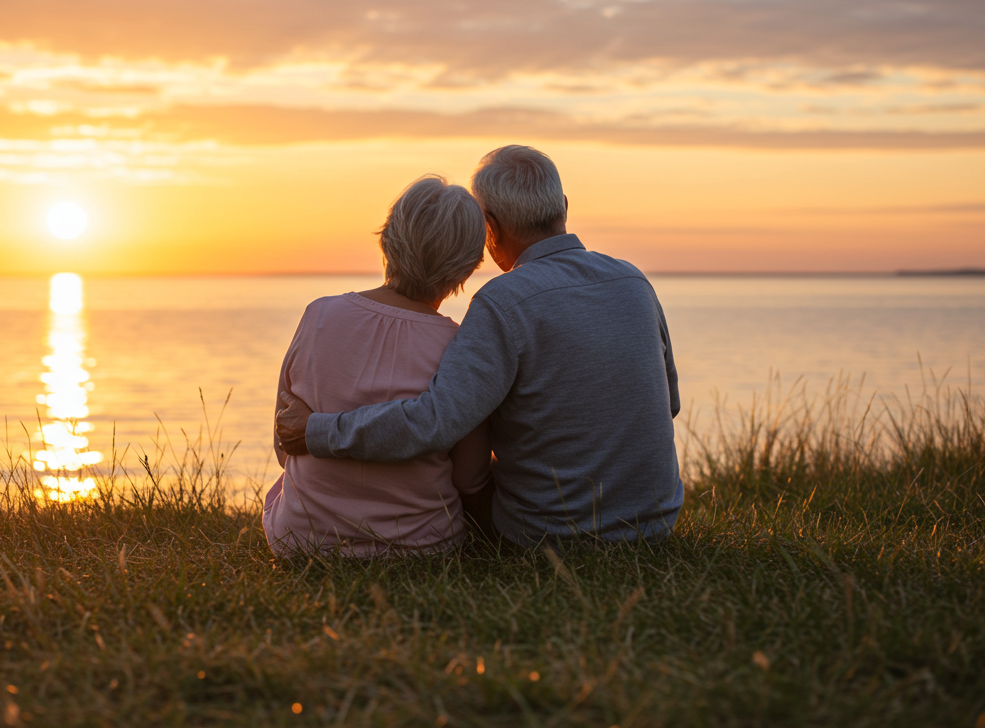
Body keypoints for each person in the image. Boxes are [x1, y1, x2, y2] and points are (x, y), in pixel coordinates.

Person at [277, 145, 683, 548]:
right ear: (563, 205)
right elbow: (670, 403)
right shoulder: (633, 282)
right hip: (656, 520)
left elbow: (435, 422)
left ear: (490, 227)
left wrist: (317, 431)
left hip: (551, 535)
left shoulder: (504, 300)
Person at [263, 175, 492, 557]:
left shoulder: (319, 315)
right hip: (422, 546)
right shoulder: (459, 348)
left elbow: (284, 446)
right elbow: (470, 478)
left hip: (301, 541)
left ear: (387, 238)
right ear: (468, 266)